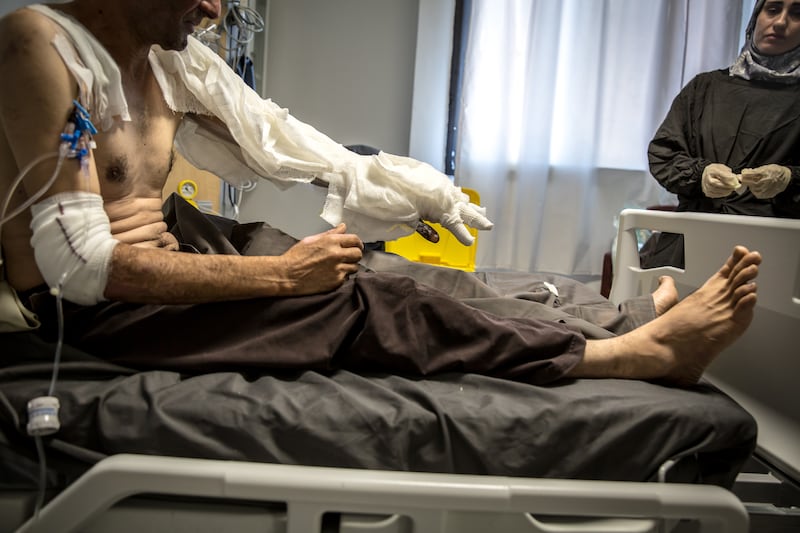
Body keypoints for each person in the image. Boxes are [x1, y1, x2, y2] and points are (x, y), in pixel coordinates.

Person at [0, 0, 762, 389]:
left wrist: (409, 186)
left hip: (175, 247)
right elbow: (76, 266)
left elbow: (277, 135)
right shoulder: (39, 43)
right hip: (98, 313)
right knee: (358, 302)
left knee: (376, 268)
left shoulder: (165, 63)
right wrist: (278, 277)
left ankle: (607, 313)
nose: (215, 11)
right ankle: (626, 353)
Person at [643, 0, 800, 268]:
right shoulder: (705, 88)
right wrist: (700, 175)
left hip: (774, 255)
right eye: (772, 9)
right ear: (755, 19)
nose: (781, 22)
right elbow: (663, 154)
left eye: (797, 14)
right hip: (691, 244)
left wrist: (789, 179)